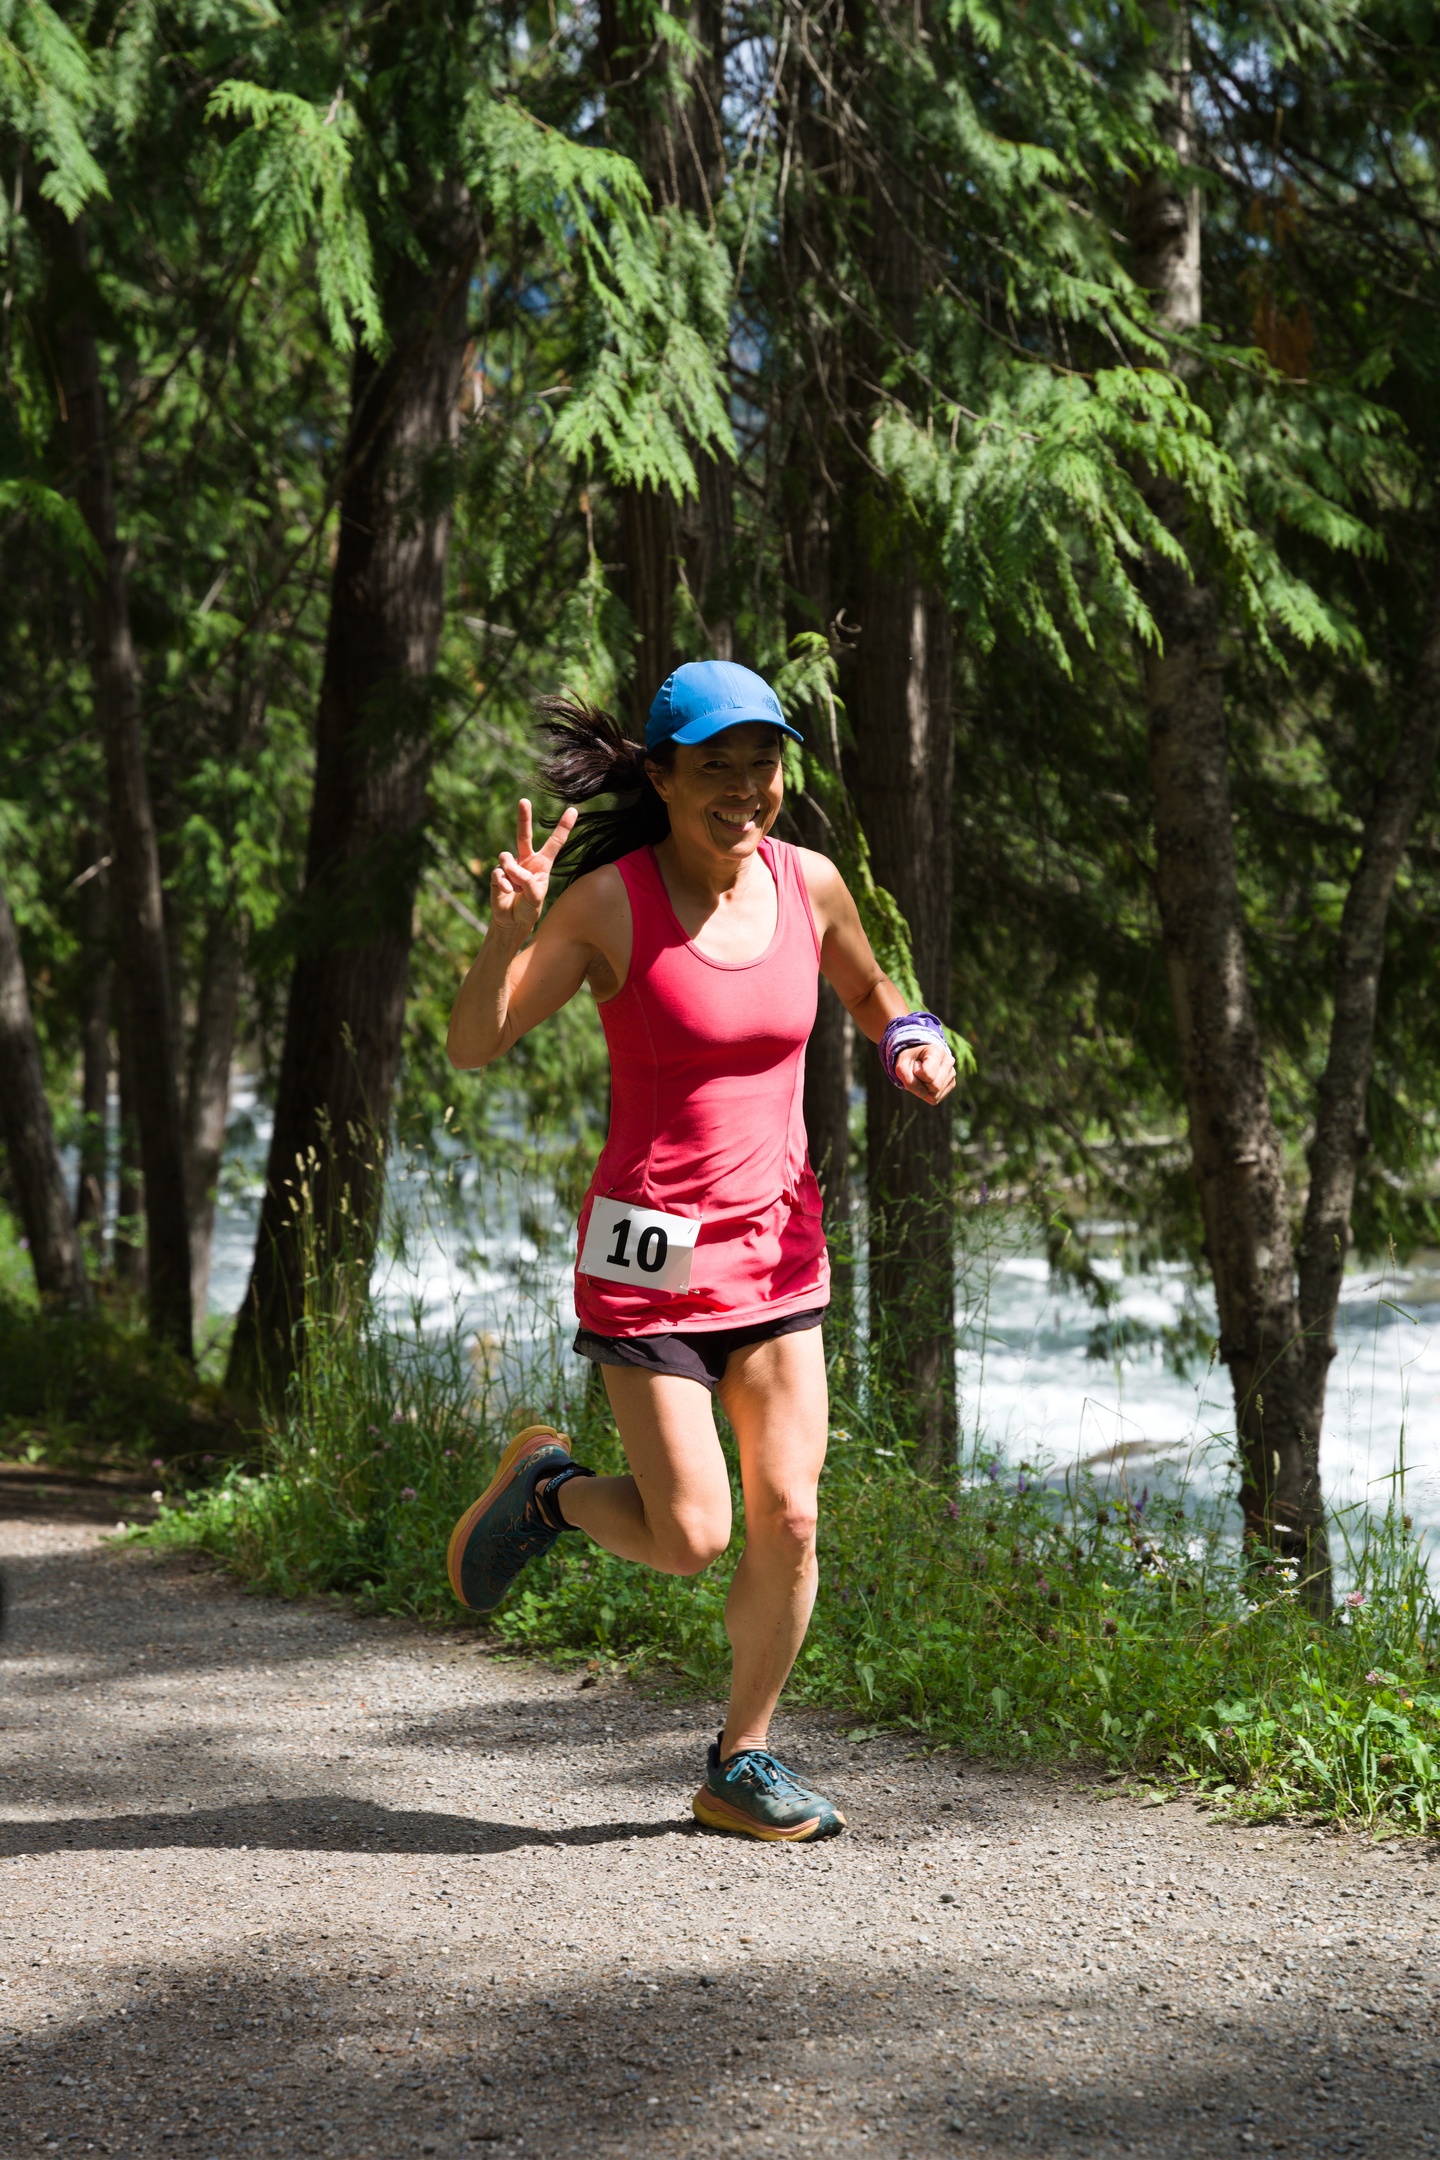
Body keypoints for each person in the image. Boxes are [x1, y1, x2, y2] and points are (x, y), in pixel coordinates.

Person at [445, 660, 955, 1842]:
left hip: (779, 1256)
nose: (744, 787)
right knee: (693, 1537)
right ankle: (554, 1494)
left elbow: (883, 996)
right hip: (648, 1263)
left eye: (763, 762)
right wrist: (505, 937)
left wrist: (919, 1048)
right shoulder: (610, 904)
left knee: (791, 1517)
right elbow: (477, 1044)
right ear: (663, 776)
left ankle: (743, 1758)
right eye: (715, 765)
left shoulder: (810, 884)